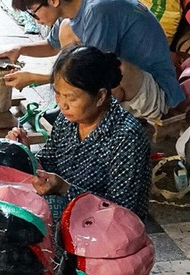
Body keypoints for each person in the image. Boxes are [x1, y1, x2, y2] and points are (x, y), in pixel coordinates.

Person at [0, 0, 184, 120]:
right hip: (125, 83)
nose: (35, 19)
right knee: (67, 30)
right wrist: (19, 49)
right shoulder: (74, 6)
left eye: (33, 12)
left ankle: (100, 120)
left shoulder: (98, 11)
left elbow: (94, 74)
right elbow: (52, 45)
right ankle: (79, 108)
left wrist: (34, 78)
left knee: (114, 70)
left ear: (53, 0)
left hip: (157, 93)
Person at [8, 45, 151, 222]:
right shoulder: (68, 119)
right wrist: (25, 153)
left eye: (71, 98)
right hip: (67, 205)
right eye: (58, 94)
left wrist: (64, 189)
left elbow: (122, 210)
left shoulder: (127, 138)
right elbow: (49, 161)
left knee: (42, 211)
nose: (62, 104)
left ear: (100, 96)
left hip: (111, 226)